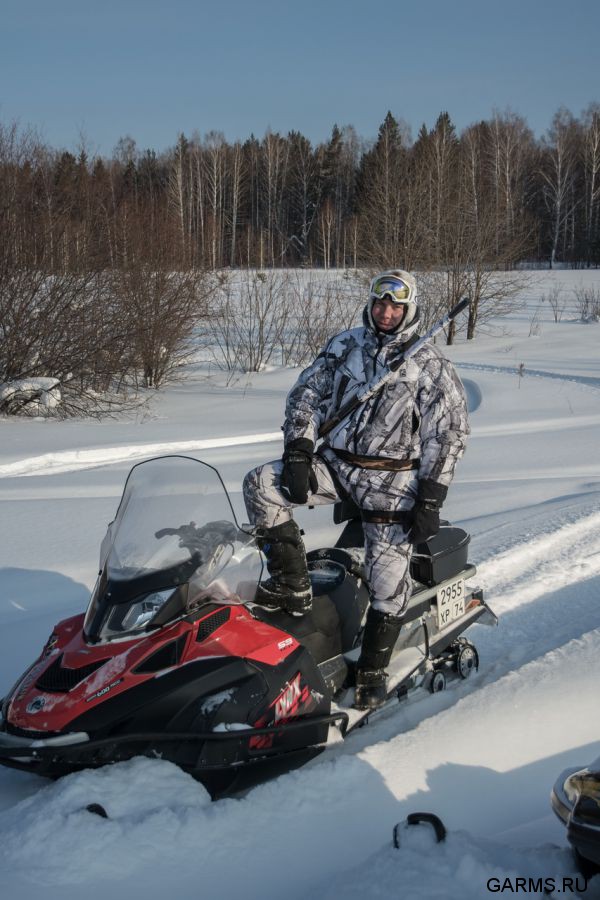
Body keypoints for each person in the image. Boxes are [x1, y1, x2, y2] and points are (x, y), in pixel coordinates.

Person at [243, 269, 469, 710]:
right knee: (261, 484)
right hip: (336, 465)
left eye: (396, 307)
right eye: (380, 304)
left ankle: (371, 671)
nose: (385, 313)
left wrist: (431, 496)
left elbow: (449, 434)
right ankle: (293, 584)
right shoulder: (346, 345)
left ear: (410, 309)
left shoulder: (430, 365)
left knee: (389, 585)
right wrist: (299, 451)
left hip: (393, 481)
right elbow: (305, 395)